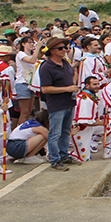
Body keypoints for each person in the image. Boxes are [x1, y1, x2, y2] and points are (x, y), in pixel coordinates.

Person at [38, 37, 82, 171]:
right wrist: (67, 89)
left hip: (69, 101)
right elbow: (44, 89)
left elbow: (72, 75)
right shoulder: (46, 67)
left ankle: (64, 155)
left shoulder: (65, 63)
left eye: (65, 47)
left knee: (65, 131)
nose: (65, 50)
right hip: (57, 104)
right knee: (55, 133)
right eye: (61, 48)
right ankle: (55, 159)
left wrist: (73, 84)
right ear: (51, 51)